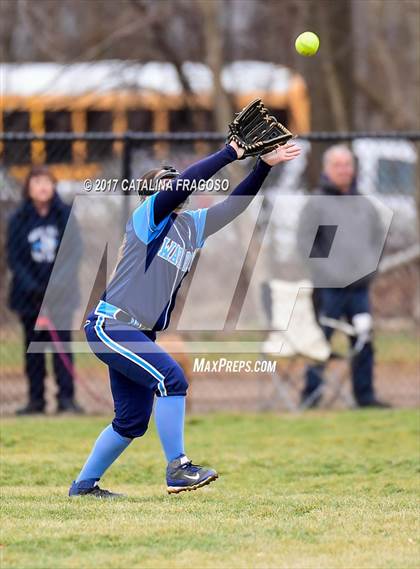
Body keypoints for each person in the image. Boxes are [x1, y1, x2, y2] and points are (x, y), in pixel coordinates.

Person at [69, 138, 301, 498]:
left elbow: (235, 207)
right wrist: (230, 153)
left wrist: (264, 166)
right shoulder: (147, 218)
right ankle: (177, 467)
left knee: (130, 421)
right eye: (167, 180)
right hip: (112, 325)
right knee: (172, 378)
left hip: (139, 333)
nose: (177, 183)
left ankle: (84, 486)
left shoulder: (190, 226)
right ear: (151, 194)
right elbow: (186, 182)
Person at [297, 145, 389, 408]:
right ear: (327, 169)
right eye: (337, 165)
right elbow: (306, 244)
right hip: (329, 289)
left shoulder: (365, 205)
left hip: (359, 289)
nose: (343, 170)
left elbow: (377, 241)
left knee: (364, 342)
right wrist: (328, 273)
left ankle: (366, 396)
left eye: (347, 165)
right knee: (321, 342)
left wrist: (369, 271)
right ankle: (311, 395)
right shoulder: (316, 204)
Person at [6, 166, 83, 415]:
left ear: (53, 186)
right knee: (34, 350)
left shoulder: (65, 216)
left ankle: (67, 400)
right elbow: (15, 258)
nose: (42, 186)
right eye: (36, 181)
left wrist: (55, 287)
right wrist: (35, 290)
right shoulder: (18, 220)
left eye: (47, 181)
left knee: (62, 348)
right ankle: (36, 400)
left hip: (61, 296)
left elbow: (73, 254)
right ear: (28, 187)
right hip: (30, 298)